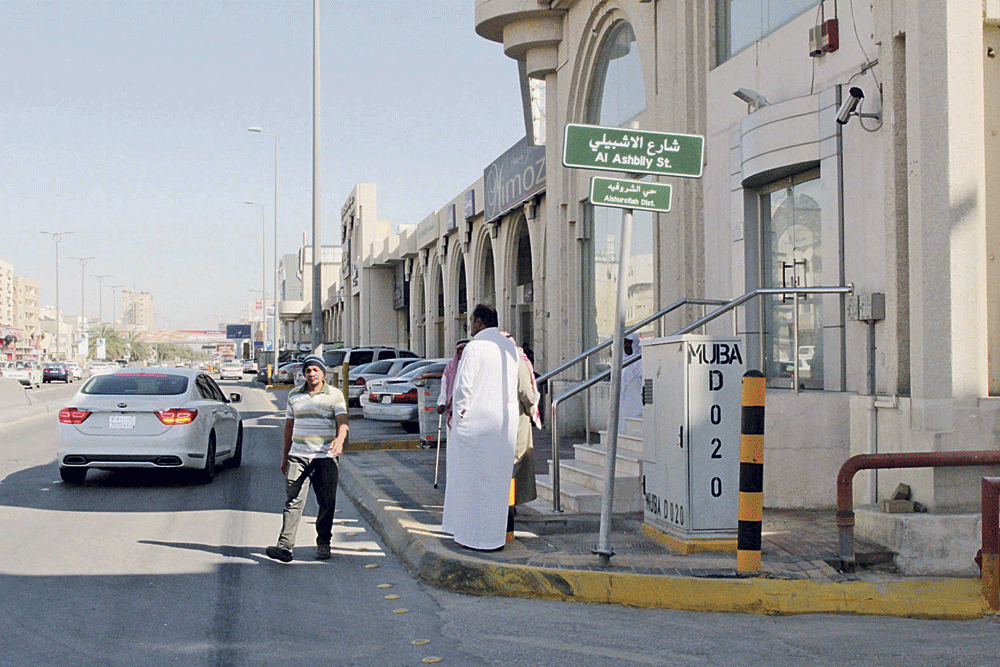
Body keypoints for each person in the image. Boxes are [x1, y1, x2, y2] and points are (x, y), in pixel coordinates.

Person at [441, 304, 519, 550]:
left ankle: (471, 537)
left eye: (471, 320)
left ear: (479, 322)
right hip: (504, 425)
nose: (470, 325)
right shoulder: (510, 347)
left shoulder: (475, 347)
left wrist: (460, 417)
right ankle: (494, 539)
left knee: (471, 484)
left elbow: (463, 387)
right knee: (496, 484)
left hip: (475, 425)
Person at [265, 354, 349, 563]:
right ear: (303, 374)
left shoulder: (335, 395)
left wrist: (339, 439)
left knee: (326, 502)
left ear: (323, 373)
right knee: (293, 501)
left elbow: (343, 421)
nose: (312, 374)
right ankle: (284, 547)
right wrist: (285, 457)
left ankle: (323, 544)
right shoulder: (294, 395)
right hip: (298, 457)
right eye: (308, 370)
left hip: (325, 458)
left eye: (315, 370)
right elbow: (288, 428)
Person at [513, 344, 540, 506]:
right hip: (517, 418)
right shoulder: (516, 362)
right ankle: (509, 505)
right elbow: (526, 392)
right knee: (515, 464)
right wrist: (532, 409)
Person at [436, 338, 470, 428]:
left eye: (464, 350)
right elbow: (444, 387)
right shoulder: (450, 367)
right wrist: (442, 403)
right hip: (453, 407)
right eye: (459, 350)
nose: (461, 352)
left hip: (470, 409)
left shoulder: (473, 366)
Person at [619, 333, 643, 429]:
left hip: (635, 402)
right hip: (623, 402)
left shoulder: (640, 361)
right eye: (624, 343)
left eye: (629, 343)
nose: (626, 346)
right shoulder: (622, 362)